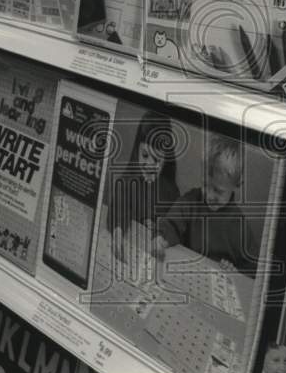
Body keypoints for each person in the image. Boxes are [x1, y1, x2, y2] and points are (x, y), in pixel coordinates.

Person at [153, 135, 260, 270]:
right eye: (205, 185)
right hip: (185, 270)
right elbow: (170, 224)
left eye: (218, 191)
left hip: (217, 283)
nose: (209, 196)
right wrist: (161, 238)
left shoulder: (239, 225)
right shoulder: (191, 201)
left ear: (237, 184)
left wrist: (235, 270)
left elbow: (253, 266)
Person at [107, 110, 180, 262]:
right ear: (136, 152)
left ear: (166, 160)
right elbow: (118, 208)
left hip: (156, 257)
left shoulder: (171, 191)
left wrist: (162, 236)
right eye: (145, 155)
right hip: (132, 251)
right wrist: (118, 230)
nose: (149, 165)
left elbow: (176, 224)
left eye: (157, 159)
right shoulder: (126, 182)